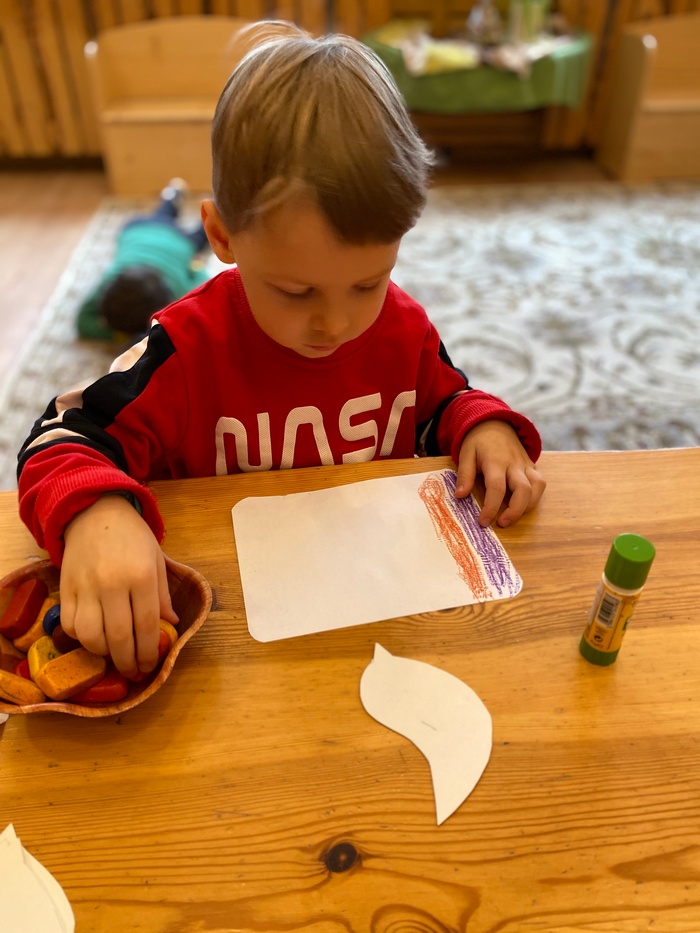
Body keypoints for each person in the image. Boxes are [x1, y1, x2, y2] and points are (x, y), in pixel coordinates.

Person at [18, 22, 546, 679]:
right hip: (229, 645)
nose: (337, 322)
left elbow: (445, 402)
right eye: (296, 291)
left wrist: (484, 425)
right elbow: (61, 437)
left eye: (368, 282)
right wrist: (97, 512)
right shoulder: (184, 348)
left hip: (368, 622)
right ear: (221, 236)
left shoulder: (401, 328)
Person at [76, 179, 211, 342]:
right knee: (162, 217)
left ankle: (210, 208)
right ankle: (172, 195)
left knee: (202, 236)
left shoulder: (178, 293)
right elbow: (82, 321)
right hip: (136, 228)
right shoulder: (111, 278)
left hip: (178, 240)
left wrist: (196, 265)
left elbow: (203, 281)